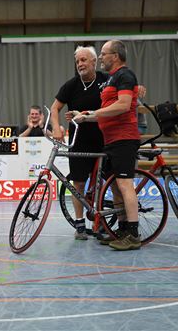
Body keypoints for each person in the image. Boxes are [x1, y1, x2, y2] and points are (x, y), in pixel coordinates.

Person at [74, 40, 141, 251]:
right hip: (111, 140)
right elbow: (106, 111)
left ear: (116, 56)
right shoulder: (113, 78)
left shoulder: (125, 75)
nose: (101, 57)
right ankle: (122, 229)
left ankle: (133, 234)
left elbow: (123, 105)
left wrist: (93, 114)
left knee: (125, 185)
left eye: (104, 54)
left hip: (123, 138)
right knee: (117, 188)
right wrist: (84, 116)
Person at [50, 46, 108, 240]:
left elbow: (123, 94)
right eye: (77, 61)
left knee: (101, 183)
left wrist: (138, 89)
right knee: (78, 183)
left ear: (94, 61)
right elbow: (54, 108)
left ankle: (99, 222)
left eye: (84, 60)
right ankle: (80, 223)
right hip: (79, 142)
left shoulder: (105, 81)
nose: (80, 64)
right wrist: (57, 128)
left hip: (103, 140)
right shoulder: (71, 85)